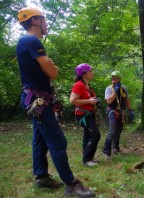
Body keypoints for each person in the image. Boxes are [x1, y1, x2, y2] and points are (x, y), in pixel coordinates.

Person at [16, 7, 95, 197]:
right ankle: (71, 184)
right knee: (57, 139)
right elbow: (53, 72)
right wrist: (50, 66)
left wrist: (49, 67)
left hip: (35, 99)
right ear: (35, 21)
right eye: (43, 19)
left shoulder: (27, 42)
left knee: (39, 139)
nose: (46, 23)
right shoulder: (31, 41)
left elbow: (51, 70)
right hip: (38, 100)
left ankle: (41, 176)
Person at [69, 63, 101, 167]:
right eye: (90, 71)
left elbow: (89, 99)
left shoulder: (87, 86)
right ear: (83, 74)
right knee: (95, 134)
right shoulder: (79, 85)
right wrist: (89, 101)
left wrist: (94, 101)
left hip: (89, 113)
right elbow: (72, 100)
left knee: (88, 135)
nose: (92, 73)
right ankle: (87, 159)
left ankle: (87, 158)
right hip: (83, 115)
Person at [103, 71, 134, 159]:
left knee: (119, 131)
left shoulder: (124, 88)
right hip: (112, 112)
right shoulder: (109, 89)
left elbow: (126, 100)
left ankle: (116, 148)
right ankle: (106, 151)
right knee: (111, 132)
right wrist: (115, 92)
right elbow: (108, 101)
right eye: (112, 79)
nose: (114, 81)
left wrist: (130, 110)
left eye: (115, 79)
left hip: (122, 112)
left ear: (119, 79)